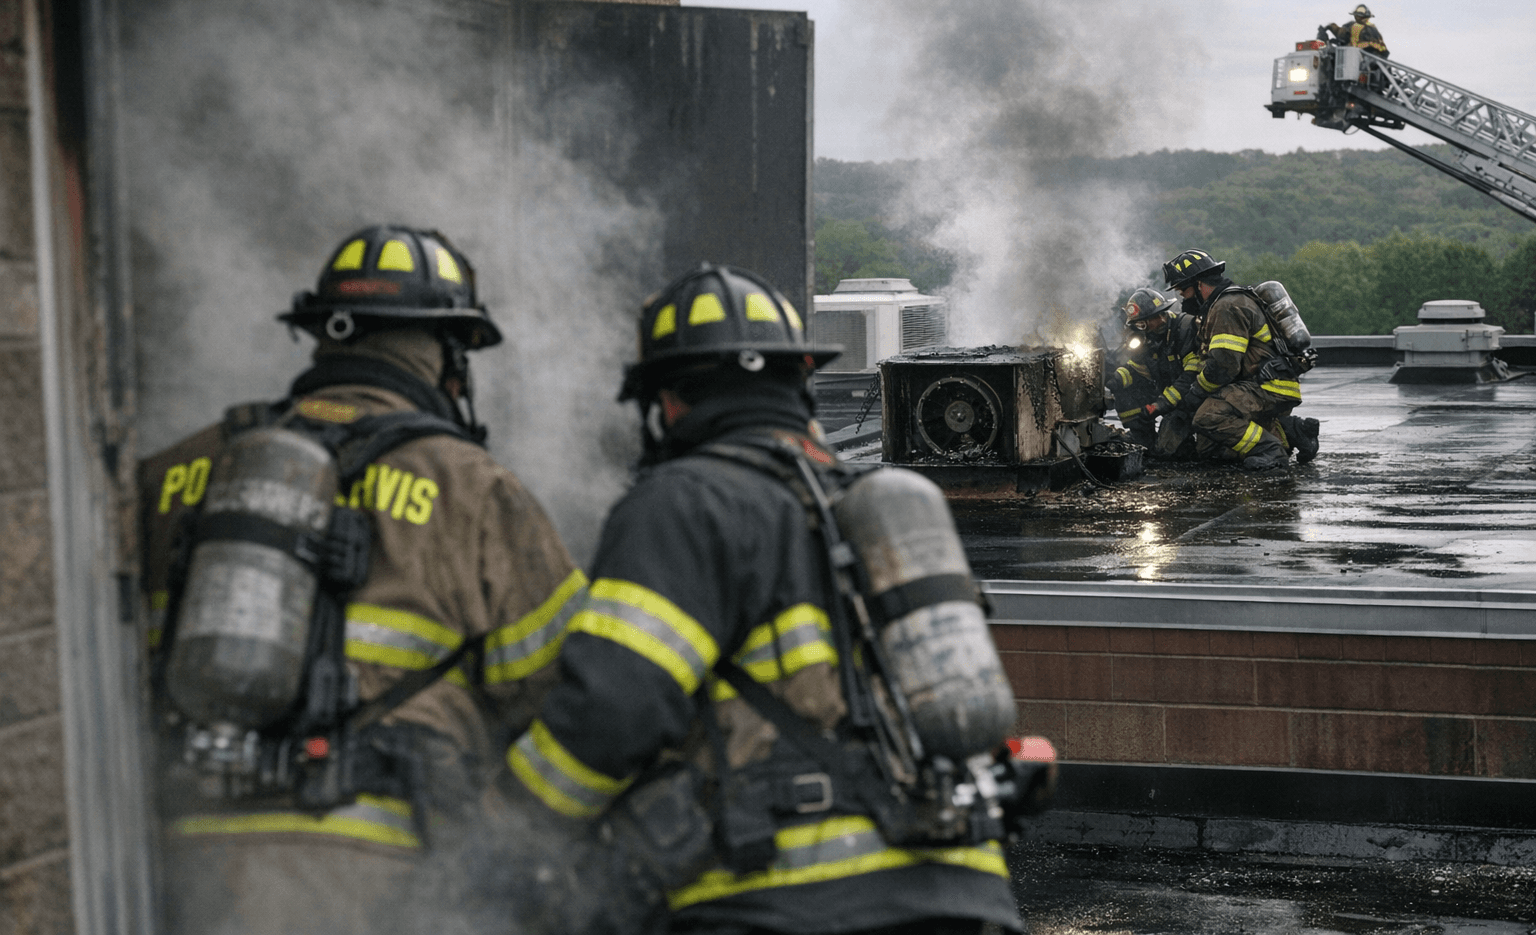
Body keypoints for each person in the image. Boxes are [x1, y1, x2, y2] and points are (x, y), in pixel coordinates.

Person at [496, 264, 1033, 935]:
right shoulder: (862, 501)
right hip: (965, 894)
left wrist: (505, 826)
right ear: (797, 379)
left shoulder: (685, 500)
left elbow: (614, 709)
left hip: (790, 903)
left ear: (667, 402)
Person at [138, 224, 585, 935]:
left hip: (194, 854)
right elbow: (563, 691)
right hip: (386, 869)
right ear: (447, 357)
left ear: (325, 338)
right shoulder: (477, 491)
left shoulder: (173, 475)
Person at [1162, 250, 1321, 471]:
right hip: (1262, 384)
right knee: (1210, 448)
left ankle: (1270, 452)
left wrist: (1196, 393)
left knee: (1208, 416)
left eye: (1183, 290)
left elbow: (1223, 366)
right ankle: (1293, 432)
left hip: (1267, 386)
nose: (1182, 298)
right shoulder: (1222, 304)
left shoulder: (1227, 307)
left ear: (1198, 284)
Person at [1109, 287, 1201, 454]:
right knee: (1125, 392)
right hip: (1166, 395)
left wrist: (1159, 405)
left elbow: (1190, 378)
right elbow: (1137, 370)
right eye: (1138, 324)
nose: (1162, 320)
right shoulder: (1145, 339)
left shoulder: (1186, 329)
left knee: (1166, 452)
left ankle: (1185, 441)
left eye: (1163, 313)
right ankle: (1142, 438)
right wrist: (1115, 378)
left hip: (1190, 400)